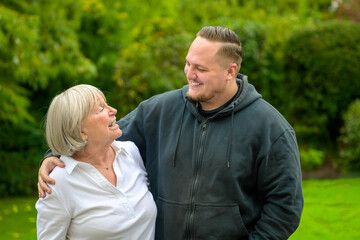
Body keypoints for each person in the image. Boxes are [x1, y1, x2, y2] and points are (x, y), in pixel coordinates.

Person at [38, 26, 303, 239]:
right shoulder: (158, 111)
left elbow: (285, 207)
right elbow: (93, 136)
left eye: (201, 68)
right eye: (188, 64)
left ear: (230, 71)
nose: (190, 74)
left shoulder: (271, 128)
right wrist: (54, 156)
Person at [36, 84, 157, 240]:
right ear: (80, 131)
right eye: (101, 109)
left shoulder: (130, 152)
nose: (113, 110)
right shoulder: (57, 182)